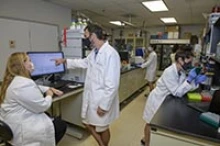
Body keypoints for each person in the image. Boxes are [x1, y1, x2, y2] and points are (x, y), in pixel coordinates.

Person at [54, 24, 121, 146]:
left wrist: (104, 106)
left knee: (103, 127)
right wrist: (65, 61)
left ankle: (103, 145)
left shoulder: (110, 54)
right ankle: (102, 144)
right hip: (93, 96)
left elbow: (112, 84)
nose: (86, 40)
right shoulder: (94, 52)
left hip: (102, 98)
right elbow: (84, 62)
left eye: (86, 36)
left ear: (93, 35)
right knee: (87, 122)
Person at [140, 46, 207, 146]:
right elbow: (177, 92)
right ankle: (146, 142)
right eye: (189, 61)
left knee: (155, 123)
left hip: (165, 100)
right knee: (150, 123)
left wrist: (195, 82)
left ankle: (147, 139)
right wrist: (189, 81)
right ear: (180, 59)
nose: (190, 64)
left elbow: (183, 87)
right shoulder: (169, 72)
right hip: (157, 99)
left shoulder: (181, 72)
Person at [0, 52, 67, 146]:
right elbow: (42, 106)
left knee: (48, 116)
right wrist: (49, 95)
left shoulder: (13, 80)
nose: (32, 63)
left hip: (12, 123)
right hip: (22, 130)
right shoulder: (23, 84)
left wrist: (48, 88)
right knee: (60, 125)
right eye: (29, 60)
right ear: (22, 65)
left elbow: (35, 87)